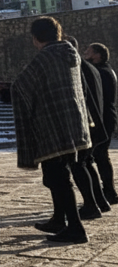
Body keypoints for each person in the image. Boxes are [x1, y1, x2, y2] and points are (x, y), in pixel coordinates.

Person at [11, 17, 91, 244]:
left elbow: (22, 86)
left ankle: (75, 228)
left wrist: (3, 92)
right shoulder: (70, 54)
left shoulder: (45, 56)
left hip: (53, 126)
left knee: (59, 178)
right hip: (72, 122)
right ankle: (59, 219)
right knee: (58, 175)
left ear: (36, 38)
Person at [66, 37, 111, 217]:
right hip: (94, 123)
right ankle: (100, 201)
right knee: (87, 163)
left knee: (80, 164)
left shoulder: (81, 67)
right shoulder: (91, 67)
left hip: (86, 124)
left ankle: (92, 205)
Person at [84, 42, 118, 205]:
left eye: (89, 51)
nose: (85, 53)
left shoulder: (101, 72)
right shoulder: (106, 70)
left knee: (99, 156)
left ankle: (107, 193)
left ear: (97, 55)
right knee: (100, 155)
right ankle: (107, 192)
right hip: (106, 118)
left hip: (103, 119)